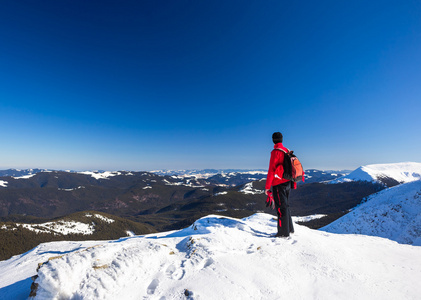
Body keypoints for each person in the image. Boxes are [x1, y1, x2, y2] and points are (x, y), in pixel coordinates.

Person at [265, 132, 294, 238]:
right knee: (285, 205)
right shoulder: (286, 150)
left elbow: (271, 171)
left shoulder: (275, 152)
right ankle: (289, 229)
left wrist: (267, 187)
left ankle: (283, 233)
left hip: (278, 184)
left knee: (281, 208)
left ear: (273, 140)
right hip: (287, 182)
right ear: (282, 139)